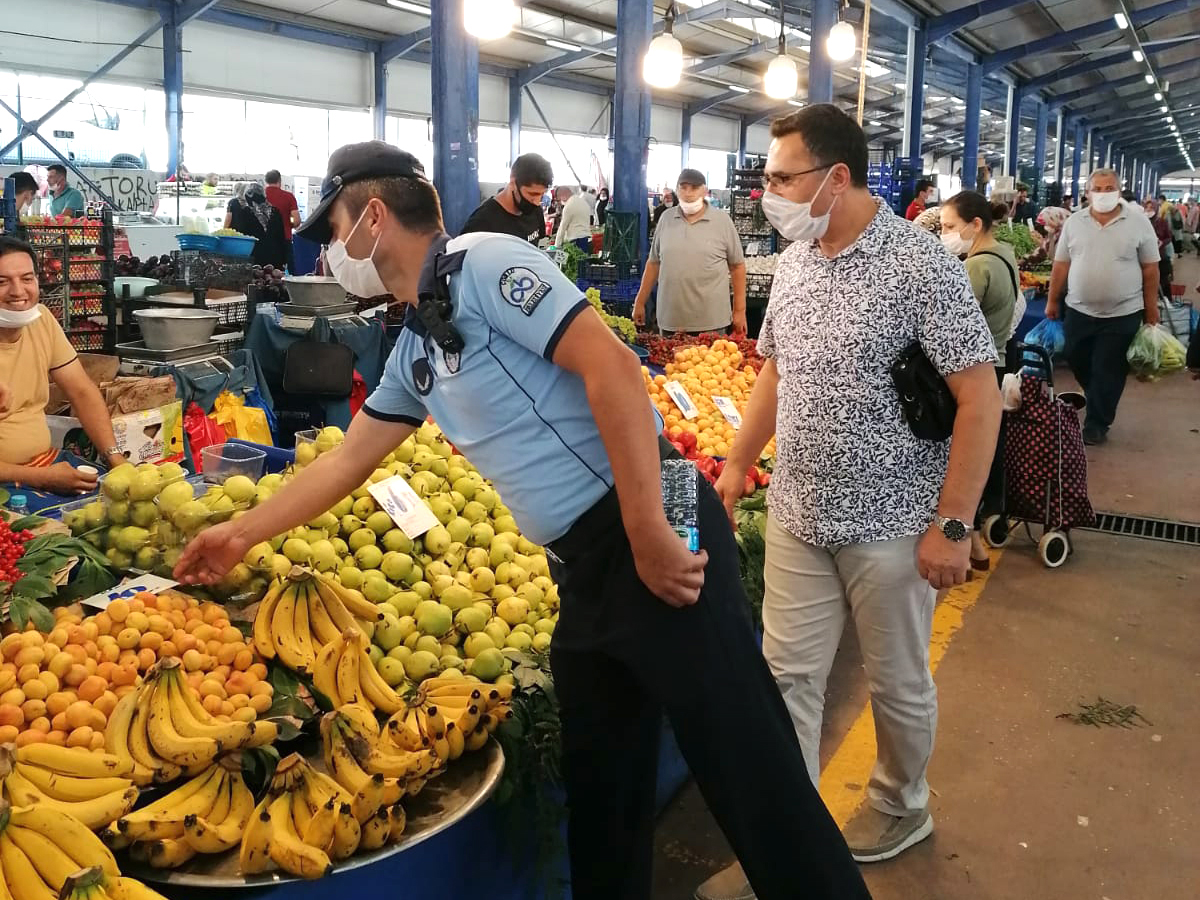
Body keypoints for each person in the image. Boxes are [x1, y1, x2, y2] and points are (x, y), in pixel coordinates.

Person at [170, 140, 872, 900]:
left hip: (659, 507)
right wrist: (239, 534)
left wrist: (649, 534)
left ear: (373, 216)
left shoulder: (484, 266)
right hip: (583, 560)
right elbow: (345, 464)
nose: (334, 251)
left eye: (336, 230)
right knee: (603, 778)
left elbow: (612, 370)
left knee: (746, 759)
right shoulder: (415, 346)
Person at [707, 104, 1001, 891]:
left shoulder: (922, 265)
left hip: (896, 526)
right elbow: (776, 368)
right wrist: (738, 463)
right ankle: (787, 832)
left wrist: (952, 524)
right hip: (800, 516)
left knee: (897, 679)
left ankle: (902, 801)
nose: (768, 191)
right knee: (786, 680)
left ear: (836, 178)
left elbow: (979, 397)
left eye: (780, 177)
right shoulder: (798, 257)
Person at [0, 236, 126, 497]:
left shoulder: (42, 320)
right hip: (14, 481)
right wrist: (42, 478)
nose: (17, 291)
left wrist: (115, 458)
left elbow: (81, 391)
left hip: (45, 463)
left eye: (27, 278)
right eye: (2, 282)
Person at [1046, 169, 1160, 446]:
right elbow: (1061, 264)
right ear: (1088, 192)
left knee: (1109, 369)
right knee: (1076, 357)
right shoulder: (1075, 222)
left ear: (1119, 191)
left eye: (1110, 188)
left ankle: (1097, 423)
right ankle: (1097, 393)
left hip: (1123, 313)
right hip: (1078, 310)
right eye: (1098, 188)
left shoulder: (1138, 222)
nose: (1104, 193)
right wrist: (1052, 299)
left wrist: (1150, 309)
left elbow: (1150, 268)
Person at [940, 193, 1022, 575]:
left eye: (950, 228)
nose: (945, 235)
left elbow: (948, 328)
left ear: (975, 225)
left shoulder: (975, 269)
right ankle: (974, 545)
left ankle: (963, 540)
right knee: (981, 455)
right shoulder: (1005, 255)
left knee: (959, 459)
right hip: (1000, 361)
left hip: (972, 371)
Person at [633, 170, 747, 336]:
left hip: (712, 323)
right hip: (671, 322)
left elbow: (737, 267)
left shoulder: (722, 222)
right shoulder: (666, 219)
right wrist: (640, 301)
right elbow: (654, 263)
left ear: (704, 191)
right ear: (677, 190)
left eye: (694, 188)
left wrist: (739, 311)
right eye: (683, 187)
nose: (688, 193)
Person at [460, 153, 551, 244]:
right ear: (513, 182)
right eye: (532, 194)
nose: (537, 201)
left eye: (542, 194)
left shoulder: (535, 210)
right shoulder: (482, 222)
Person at [228, 182, 288, 269]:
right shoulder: (275, 211)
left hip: (254, 255)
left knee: (257, 280)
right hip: (275, 256)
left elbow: (239, 232)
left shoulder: (245, 211)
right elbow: (281, 236)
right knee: (273, 279)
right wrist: (284, 259)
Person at [264, 169, 301, 272]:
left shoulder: (261, 195)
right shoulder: (288, 197)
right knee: (288, 271)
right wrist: (290, 223)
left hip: (263, 239)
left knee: (263, 272)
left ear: (266, 181)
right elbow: (296, 220)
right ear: (279, 180)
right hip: (284, 238)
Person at [1144, 198, 1174, 299]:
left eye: (1151, 207)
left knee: (1163, 282)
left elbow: (1169, 237)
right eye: (1147, 208)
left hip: (1161, 256)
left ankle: (1167, 301)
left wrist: (1162, 242)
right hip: (1146, 257)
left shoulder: (1162, 222)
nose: (1149, 210)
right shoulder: (1141, 222)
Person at [553, 186, 592, 253]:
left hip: (575, 241)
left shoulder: (569, 206)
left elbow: (562, 227)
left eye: (559, 200)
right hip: (586, 239)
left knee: (575, 262)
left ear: (562, 195)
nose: (560, 202)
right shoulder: (583, 202)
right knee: (583, 260)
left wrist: (557, 246)